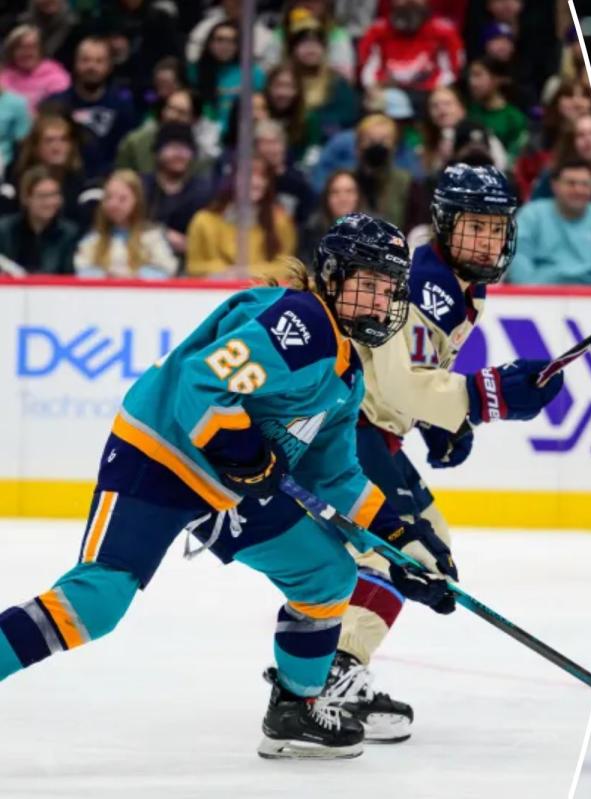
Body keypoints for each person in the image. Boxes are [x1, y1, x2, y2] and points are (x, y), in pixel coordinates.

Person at [0, 212, 458, 759]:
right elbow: (203, 382)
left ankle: (295, 709)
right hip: (163, 456)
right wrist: (245, 453)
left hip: (227, 485)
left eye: (389, 289)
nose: (380, 301)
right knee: (96, 603)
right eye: (368, 283)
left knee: (326, 573)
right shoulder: (302, 322)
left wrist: (401, 542)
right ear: (332, 276)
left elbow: (334, 477)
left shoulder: (346, 374)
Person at [311, 164, 566, 740]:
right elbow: (399, 386)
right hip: (346, 428)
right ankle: (330, 674)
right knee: (397, 548)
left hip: (372, 427)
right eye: (474, 227)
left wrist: (435, 422)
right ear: (446, 225)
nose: (487, 241)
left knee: (428, 541)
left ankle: (335, 665)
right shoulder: (425, 284)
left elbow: (404, 372)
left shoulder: (458, 287)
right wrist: (485, 397)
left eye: (496, 229)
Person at [507, 158, 591, 286]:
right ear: (554, 185)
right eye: (571, 183)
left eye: (585, 184)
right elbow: (518, 260)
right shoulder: (531, 215)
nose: (578, 190)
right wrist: (531, 297)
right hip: (539, 295)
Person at [184, 155, 297, 280]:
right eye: (248, 176)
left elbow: (287, 268)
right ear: (232, 180)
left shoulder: (281, 222)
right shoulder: (203, 220)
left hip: (262, 294)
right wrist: (225, 272)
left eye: (262, 177)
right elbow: (193, 267)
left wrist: (246, 272)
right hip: (214, 293)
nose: (255, 182)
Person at [41, 36, 137, 180]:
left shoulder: (122, 107)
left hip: (107, 181)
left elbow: (126, 154)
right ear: (75, 63)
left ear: (109, 66)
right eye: (85, 60)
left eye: (99, 61)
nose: (91, 67)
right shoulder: (55, 104)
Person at [74, 168, 176, 278]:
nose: (113, 205)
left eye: (122, 199)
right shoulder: (94, 239)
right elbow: (82, 269)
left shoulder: (151, 237)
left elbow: (166, 269)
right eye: (108, 198)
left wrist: (135, 277)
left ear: (136, 202)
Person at [287, 6, 360, 149]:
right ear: (292, 50)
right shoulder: (285, 80)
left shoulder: (338, 82)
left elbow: (348, 120)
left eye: (315, 43)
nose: (310, 49)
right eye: (303, 43)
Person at [357, 0, 464, 95]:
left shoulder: (445, 32)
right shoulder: (376, 31)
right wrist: (377, 88)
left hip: (430, 95)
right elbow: (368, 73)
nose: (410, 1)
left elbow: (452, 72)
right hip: (386, 94)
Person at [140, 121, 212, 260]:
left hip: (191, 263)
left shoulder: (203, 191)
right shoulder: (141, 186)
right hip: (144, 259)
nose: (179, 154)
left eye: (185, 149)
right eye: (172, 147)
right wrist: (162, 234)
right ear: (157, 152)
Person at [0, 165, 79, 275]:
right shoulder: (5, 230)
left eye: (54, 195)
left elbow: (69, 275)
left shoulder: (69, 233)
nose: (50, 202)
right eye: (43, 196)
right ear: (26, 198)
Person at [115, 88, 211, 177]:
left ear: (194, 120)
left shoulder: (202, 153)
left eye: (181, 112)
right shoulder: (135, 142)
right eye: (170, 108)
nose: (172, 116)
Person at [191, 21, 264, 139]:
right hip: (202, 135)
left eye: (231, 41)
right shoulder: (195, 72)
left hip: (242, 138)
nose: (225, 45)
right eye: (219, 40)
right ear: (209, 43)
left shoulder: (253, 73)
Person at [353, 112, 420, 231]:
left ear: (394, 146)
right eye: (369, 140)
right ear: (358, 146)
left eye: (384, 140)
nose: (377, 145)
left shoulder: (407, 184)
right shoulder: (346, 183)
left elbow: (417, 230)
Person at [530, 113, 591, 209]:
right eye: (580, 135)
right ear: (570, 141)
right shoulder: (552, 174)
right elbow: (535, 209)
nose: (588, 140)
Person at [465, 55, 527, 161]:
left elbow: (516, 155)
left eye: (478, 75)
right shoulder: (469, 112)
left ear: (496, 79)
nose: (472, 82)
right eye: (470, 76)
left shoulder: (513, 117)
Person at [255, 118, 316, 228]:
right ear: (256, 148)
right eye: (264, 143)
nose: (270, 149)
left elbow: (305, 222)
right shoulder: (248, 182)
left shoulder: (298, 182)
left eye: (275, 142)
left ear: (284, 146)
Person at [0, 24, 70, 113]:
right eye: (20, 47)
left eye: (32, 47)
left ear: (40, 50)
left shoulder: (57, 77)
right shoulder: (4, 77)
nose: (26, 53)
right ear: (12, 52)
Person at [300, 169, 361, 259]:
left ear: (358, 196)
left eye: (349, 191)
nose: (343, 198)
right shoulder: (312, 229)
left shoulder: (375, 229)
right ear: (326, 198)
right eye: (335, 192)